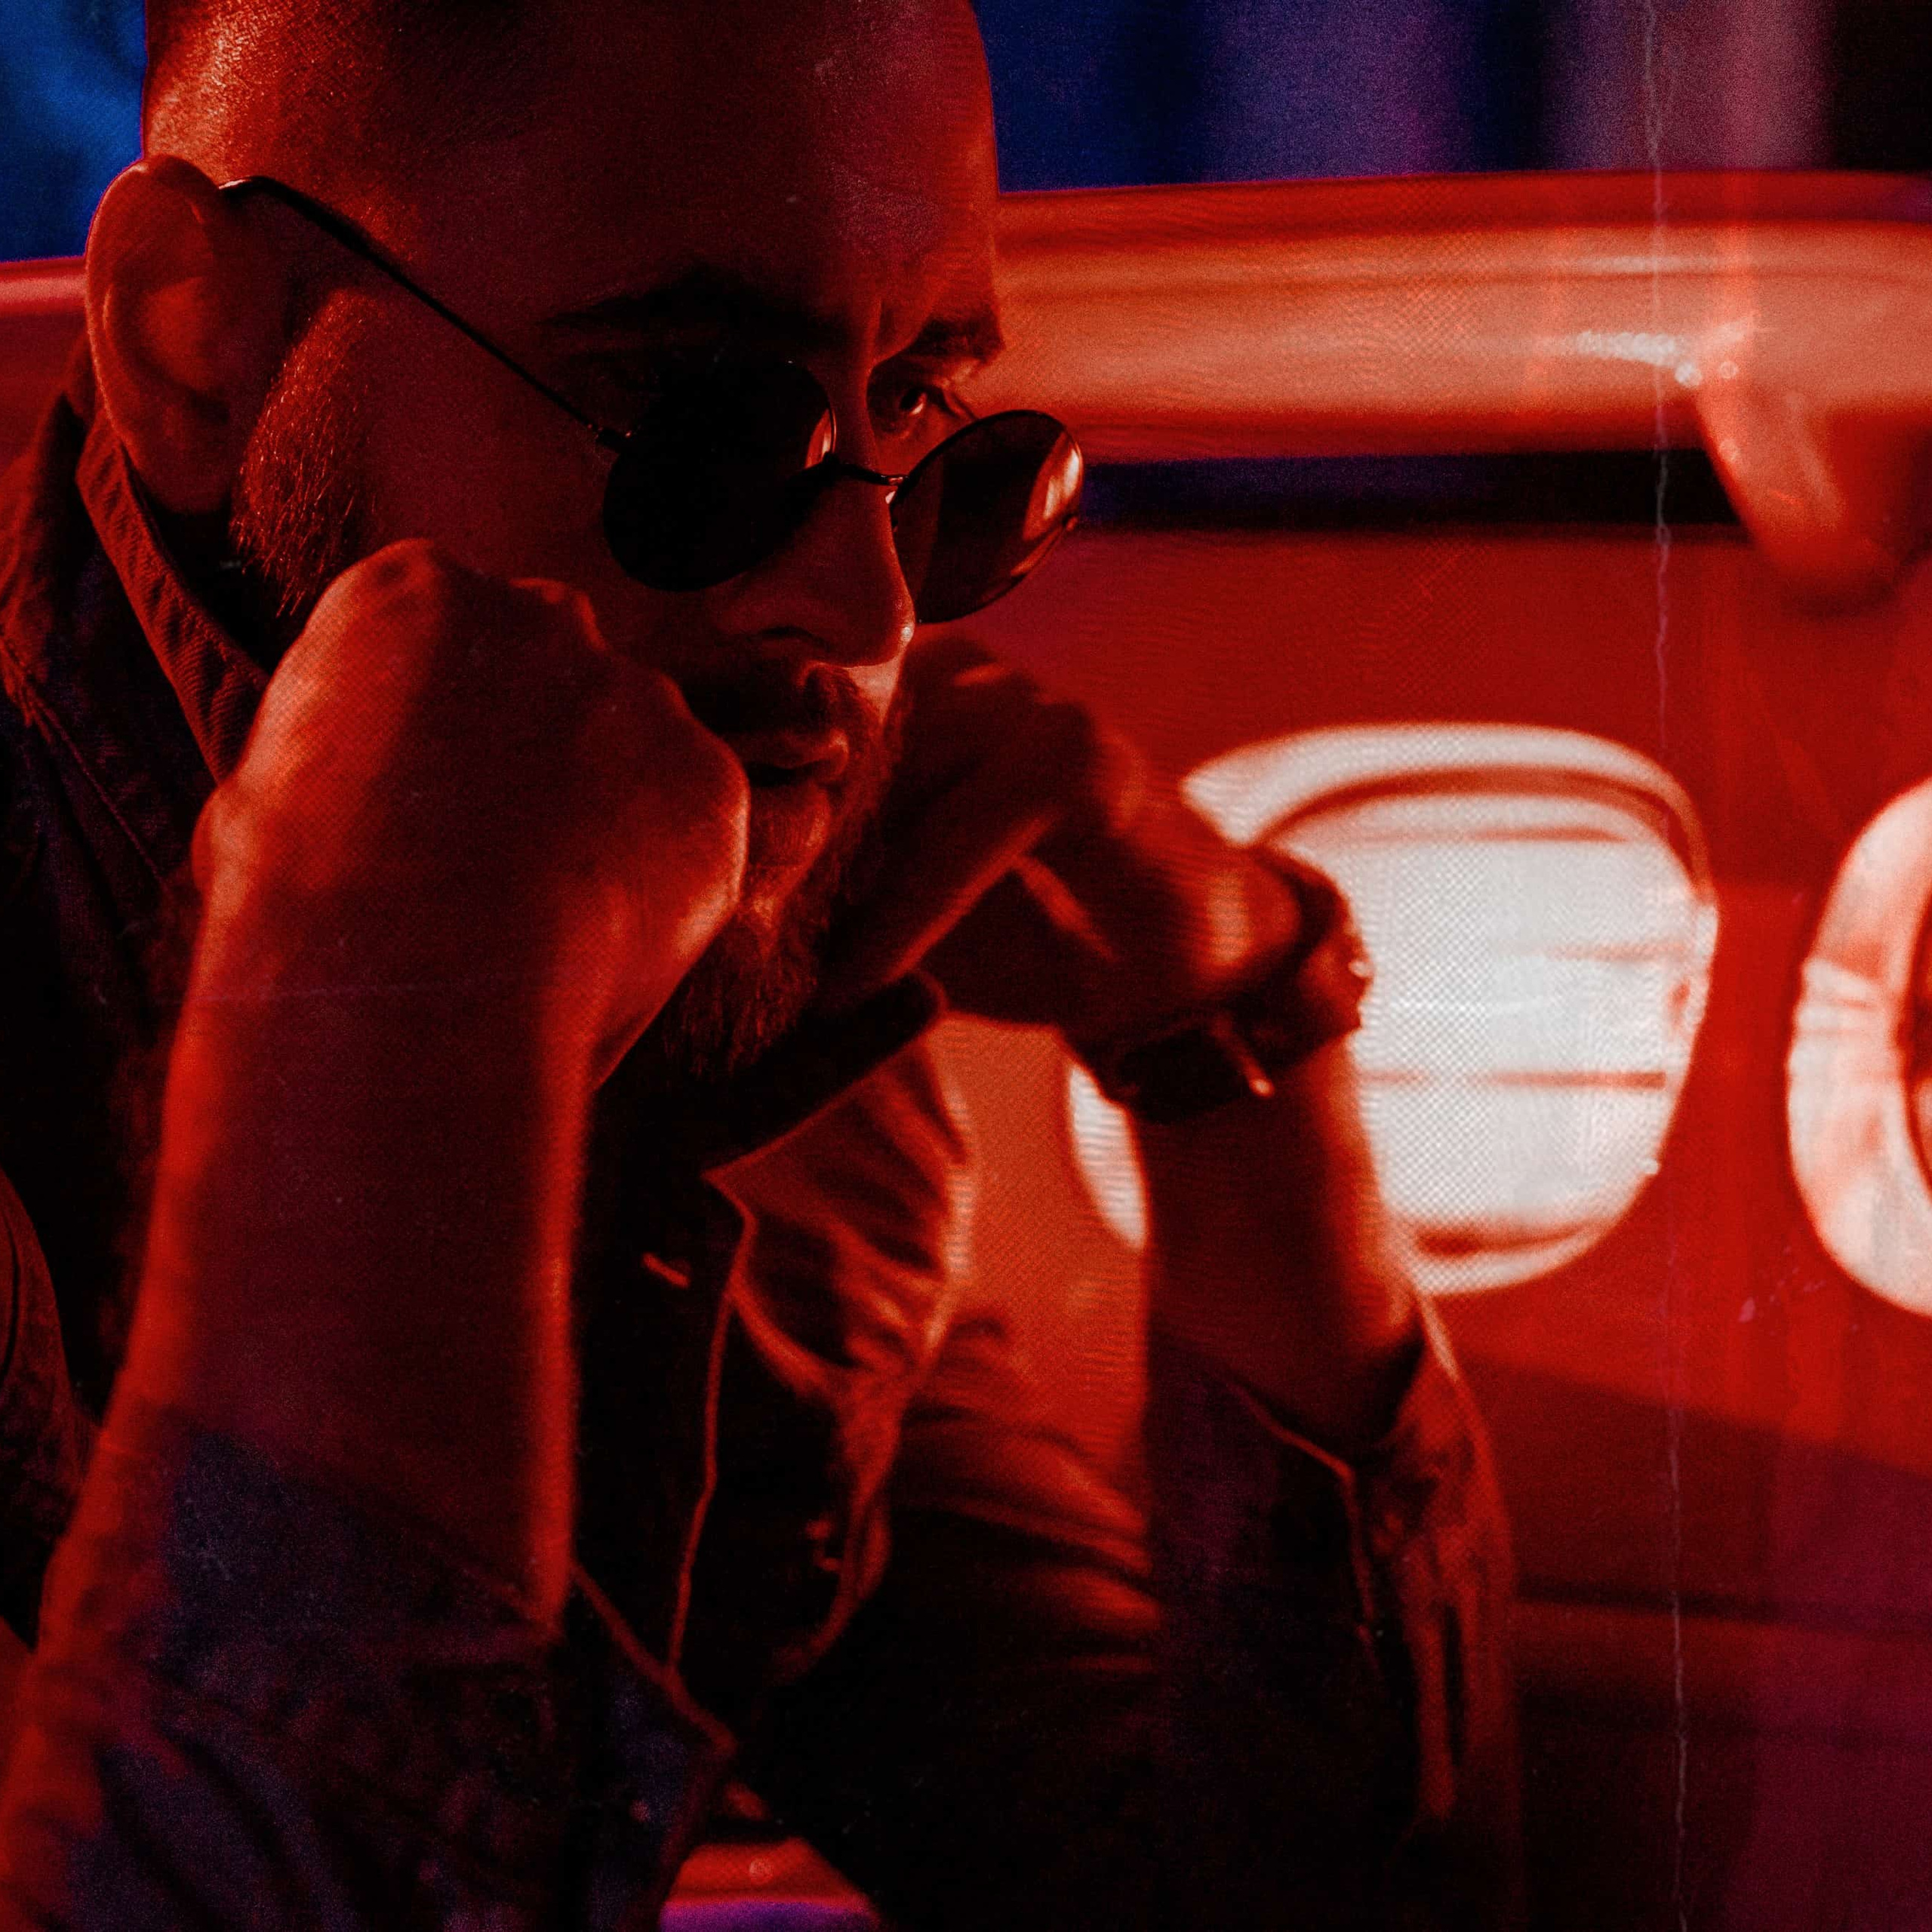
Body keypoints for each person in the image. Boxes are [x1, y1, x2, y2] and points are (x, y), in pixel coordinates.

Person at [0, 1, 1521, 1925]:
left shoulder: (784, 1047)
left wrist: (1237, 1031)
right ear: (191, 343)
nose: (864, 600)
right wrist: (391, 1039)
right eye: (700, 427)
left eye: (929, 435)